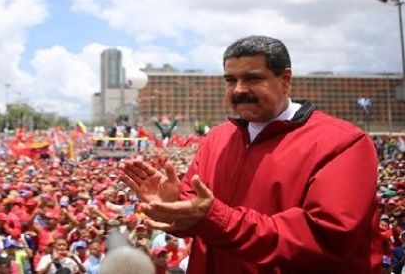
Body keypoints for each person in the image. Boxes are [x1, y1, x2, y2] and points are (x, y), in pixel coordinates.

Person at [120, 35, 382, 272]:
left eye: (253, 78)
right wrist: (173, 203)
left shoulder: (344, 143)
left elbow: (326, 238)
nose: (238, 90)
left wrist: (215, 218)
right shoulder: (216, 139)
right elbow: (197, 212)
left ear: (285, 80)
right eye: (230, 80)